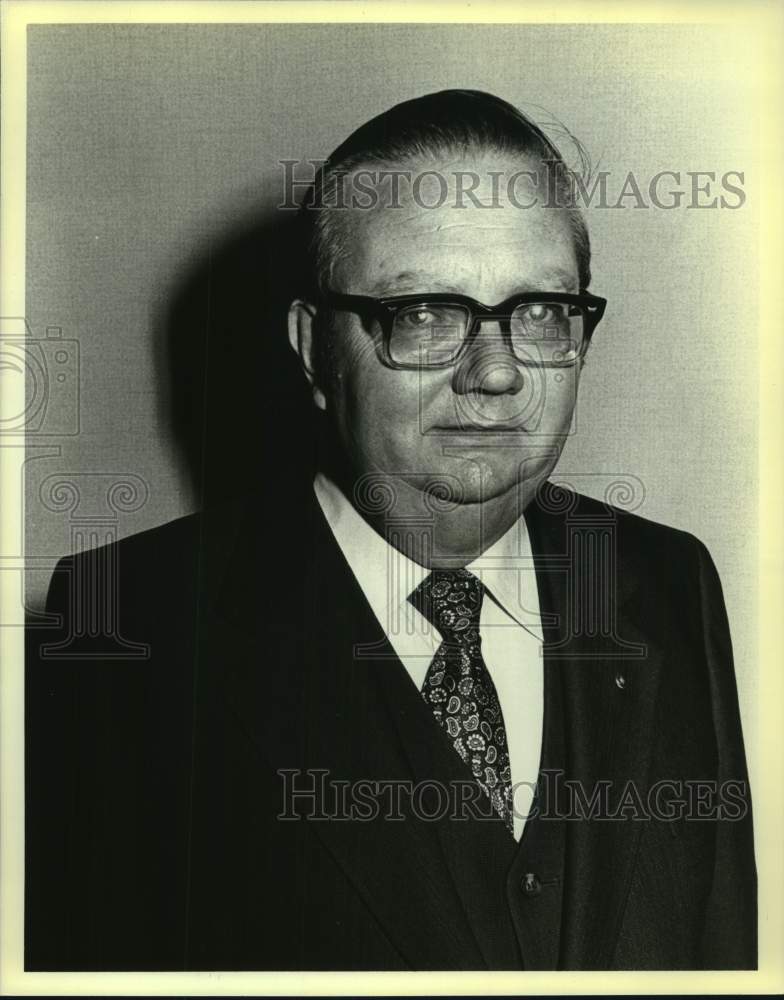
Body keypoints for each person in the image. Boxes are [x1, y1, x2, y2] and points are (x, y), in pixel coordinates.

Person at [25, 89, 756, 971]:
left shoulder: (668, 582)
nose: (494, 372)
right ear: (312, 348)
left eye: (538, 311)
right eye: (424, 315)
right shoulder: (126, 629)